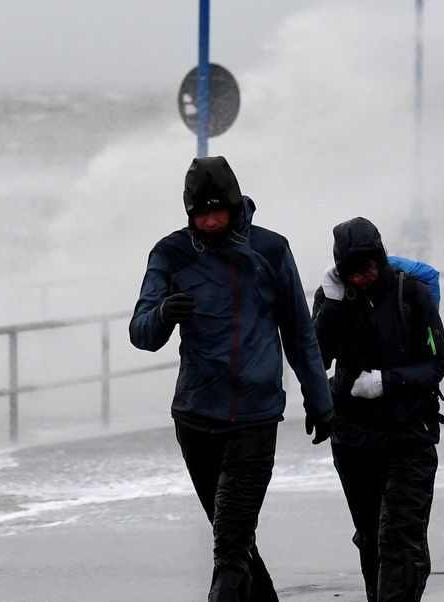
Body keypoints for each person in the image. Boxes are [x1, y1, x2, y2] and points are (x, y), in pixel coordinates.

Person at [129, 155, 335, 602]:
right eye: (200, 213)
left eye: (217, 210)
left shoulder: (271, 250)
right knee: (237, 542)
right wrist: (163, 314)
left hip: (254, 418)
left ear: (236, 204)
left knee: (228, 553)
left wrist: (320, 400)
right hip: (196, 417)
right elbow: (140, 333)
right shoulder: (171, 253)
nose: (209, 220)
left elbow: (299, 333)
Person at [311, 217, 444, 602]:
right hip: (354, 438)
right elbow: (315, 358)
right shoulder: (334, 298)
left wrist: (386, 381)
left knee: (399, 536)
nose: (362, 279)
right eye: (352, 272)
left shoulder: (412, 294)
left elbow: (437, 362)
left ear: (381, 259)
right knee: (371, 536)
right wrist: (333, 305)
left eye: (368, 269)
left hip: (411, 434)